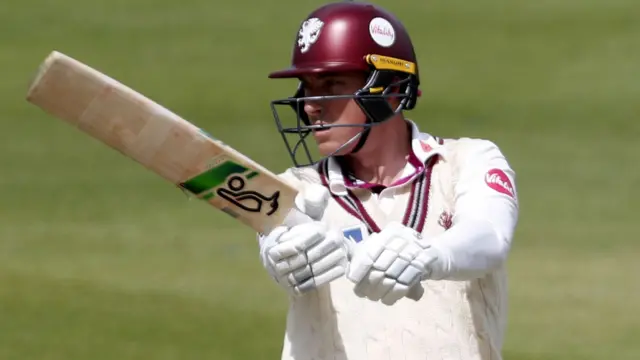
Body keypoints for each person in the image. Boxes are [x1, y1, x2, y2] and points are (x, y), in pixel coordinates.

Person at [257, 1, 520, 359]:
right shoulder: (297, 188)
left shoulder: (466, 161)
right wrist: (280, 254)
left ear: (390, 89)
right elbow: (278, 237)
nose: (310, 106)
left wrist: (432, 254)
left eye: (331, 85)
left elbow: (490, 236)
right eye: (307, 86)